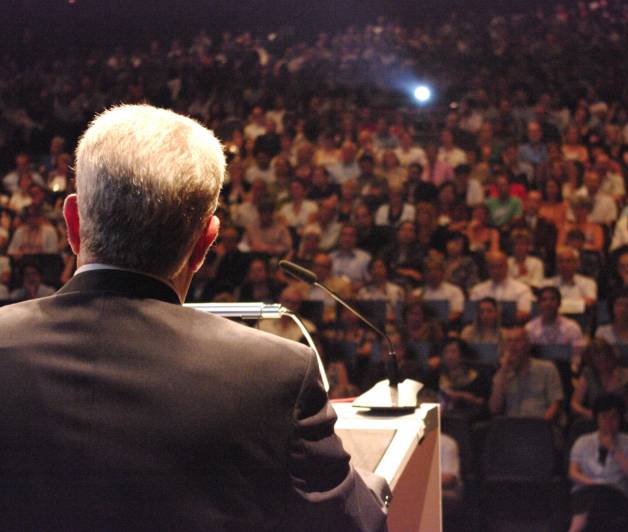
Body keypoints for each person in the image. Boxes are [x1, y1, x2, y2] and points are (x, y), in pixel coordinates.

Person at [0, 105, 388, 530]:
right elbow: (352, 525)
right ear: (205, 243)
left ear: (72, 223)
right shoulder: (273, 374)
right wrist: (374, 483)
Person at [568, 394, 628, 532]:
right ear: (597, 418)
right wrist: (591, 483)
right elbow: (572, 472)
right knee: (591, 500)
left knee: (599, 502)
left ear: (620, 419)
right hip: (586, 490)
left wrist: (613, 449)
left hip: (616, 493)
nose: (608, 422)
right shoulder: (583, 441)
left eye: (613, 417)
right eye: (604, 417)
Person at [488, 327, 563, 421]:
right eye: (509, 341)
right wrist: (503, 370)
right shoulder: (502, 373)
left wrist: (543, 425)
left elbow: (555, 404)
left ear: (528, 345)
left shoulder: (547, 368)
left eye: (517, 341)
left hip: (540, 424)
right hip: (511, 427)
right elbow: (494, 409)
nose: (512, 345)